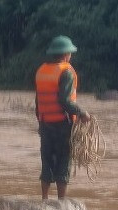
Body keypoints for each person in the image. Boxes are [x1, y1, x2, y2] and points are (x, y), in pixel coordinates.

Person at [35, 35, 90, 200]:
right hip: (62, 124)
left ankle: (44, 198)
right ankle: (61, 202)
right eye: (70, 53)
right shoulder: (66, 72)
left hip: (45, 123)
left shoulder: (41, 70)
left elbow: (38, 101)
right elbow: (64, 101)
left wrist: (40, 122)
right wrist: (82, 112)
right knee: (64, 161)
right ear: (66, 54)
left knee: (46, 160)